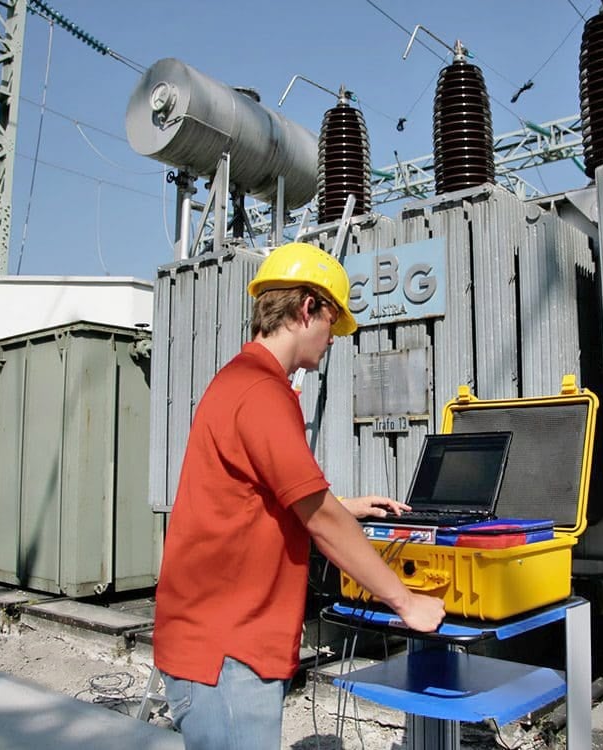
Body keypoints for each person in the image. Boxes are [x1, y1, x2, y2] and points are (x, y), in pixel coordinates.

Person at [153, 241, 446, 750]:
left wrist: (346, 505)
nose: (334, 338)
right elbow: (321, 520)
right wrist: (405, 601)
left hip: (223, 644)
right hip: (227, 652)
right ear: (308, 308)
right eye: (333, 322)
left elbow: (267, 494)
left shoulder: (245, 382)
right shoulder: (259, 391)